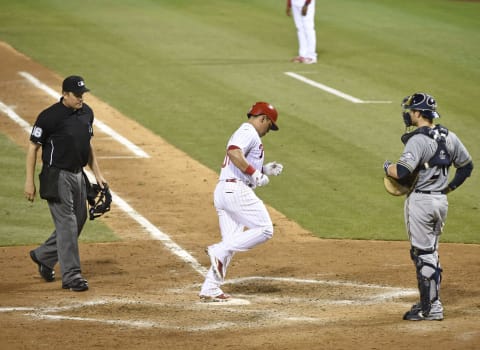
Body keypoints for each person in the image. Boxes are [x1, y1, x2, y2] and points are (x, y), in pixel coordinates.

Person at [383, 92, 473, 320]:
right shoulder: (449, 136)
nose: (408, 114)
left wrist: (387, 167)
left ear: (418, 113)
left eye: (410, 110)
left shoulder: (418, 140)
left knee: (423, 254)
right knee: (430, 251)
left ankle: (431, 308)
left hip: (421, 202)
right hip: (440, 201)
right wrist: (448, 188)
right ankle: (428, 301)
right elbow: (466, 166)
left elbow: (402, 172)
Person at [24, 75, 107, 292]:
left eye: (83, 94)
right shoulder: (49, 117)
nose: (81, 99)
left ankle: (44, 256)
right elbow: (33, 147)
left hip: (78, 174)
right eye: (77, 95)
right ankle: (72, 276)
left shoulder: (86, 113)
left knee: (79, 219)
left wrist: (96, 173)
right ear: (65, 94)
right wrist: (29, 182)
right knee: (68, 224)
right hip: (56, 176)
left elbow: (87, 145)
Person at [199, 102, 284, 302]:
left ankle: (210, 288)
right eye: (269, 126)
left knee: (231, 242)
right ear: (263, 118)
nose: (268, 131)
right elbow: (233, 152)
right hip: (236, 191)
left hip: (226, 190)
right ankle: (217, 250)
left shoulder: (248, 133)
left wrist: (263, 170)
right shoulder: (248, 131)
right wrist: (254, 173)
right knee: (265, 229)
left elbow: (239, 160)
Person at [286, 0, 317, 64]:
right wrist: (289, 5)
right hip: (294, 2)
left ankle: (311, 56)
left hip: (305, 3)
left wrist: (306, 4)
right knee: (300, 28)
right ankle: (303, 55)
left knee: (308, 28)